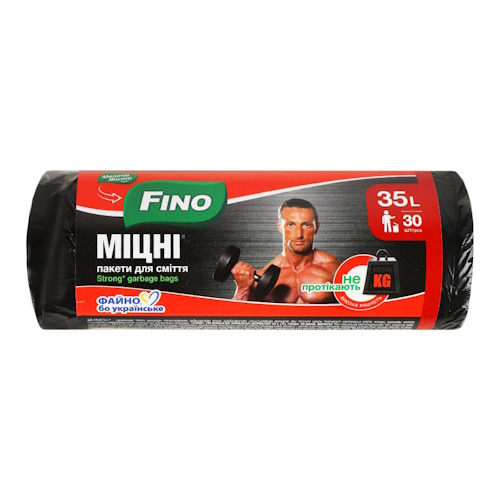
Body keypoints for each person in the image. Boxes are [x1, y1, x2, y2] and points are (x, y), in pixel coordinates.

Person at [231, 198, 341, 303]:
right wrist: (242, 289)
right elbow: (235, 314)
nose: (299, 234)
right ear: (279, 227)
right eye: (291, 225)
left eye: (306, 225)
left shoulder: (333, 269)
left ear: (316, 227)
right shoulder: (262, 277)